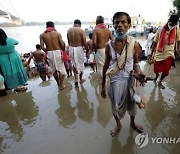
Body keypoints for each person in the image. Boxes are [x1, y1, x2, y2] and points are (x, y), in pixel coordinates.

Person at [101, 12, 146, 137]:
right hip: (113, 81)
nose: (119, 25)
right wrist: (103, 86)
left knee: (133, 104)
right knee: (114, 105)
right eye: (116, 22)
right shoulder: (109, 45)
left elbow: (136, 63)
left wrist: (140, 73)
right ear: (113, 25)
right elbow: (105, 66)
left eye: (123, 22)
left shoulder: (134, 44)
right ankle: (119, 124)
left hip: (129, 81)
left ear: (129, 25)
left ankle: (132, 122)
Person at [150, 14, 180, 89]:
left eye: (174, 25)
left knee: (166, 71)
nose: (172, 26)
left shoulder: (177, 29)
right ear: (168, 21)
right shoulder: (160, 29)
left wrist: (177, 49)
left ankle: (160, 82)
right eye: (171, 24)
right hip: (159, 53)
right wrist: (151, 53)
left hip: (169, 54)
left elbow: (178, 40)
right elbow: (155, 41)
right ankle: (156, 76)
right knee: (155, 69)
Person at [40, 21, 66, 90]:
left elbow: (42, 47)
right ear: (53, 26)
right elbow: (63, 44)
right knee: (61, 70)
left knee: (54, 70)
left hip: (49, 53)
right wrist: (63, 50)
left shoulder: (42, 35)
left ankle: (58, 84)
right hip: (57, 52)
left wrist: (47, 50)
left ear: (46, 26)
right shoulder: (57, 34)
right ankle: (61, 85)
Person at [67, 19, 89, 86]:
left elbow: (68, 42)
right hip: (79, 48)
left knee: (74, 64)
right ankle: (81, 79)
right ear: (80, 24)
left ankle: (76, 79)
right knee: (81, 64)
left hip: (71, 49)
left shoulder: (69, 30)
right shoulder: (81, 30)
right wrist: (87, 51)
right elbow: (84, 43)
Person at [92, 15, 113, 83]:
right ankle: (108, 79)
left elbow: (94, 43)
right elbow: (113, 40)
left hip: (100, 50)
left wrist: (95, 50)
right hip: (108, 49)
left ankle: (105, 81)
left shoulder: (96, 30)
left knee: (101, 66)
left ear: (97, 22)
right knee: (108, 65)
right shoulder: (107, 29)